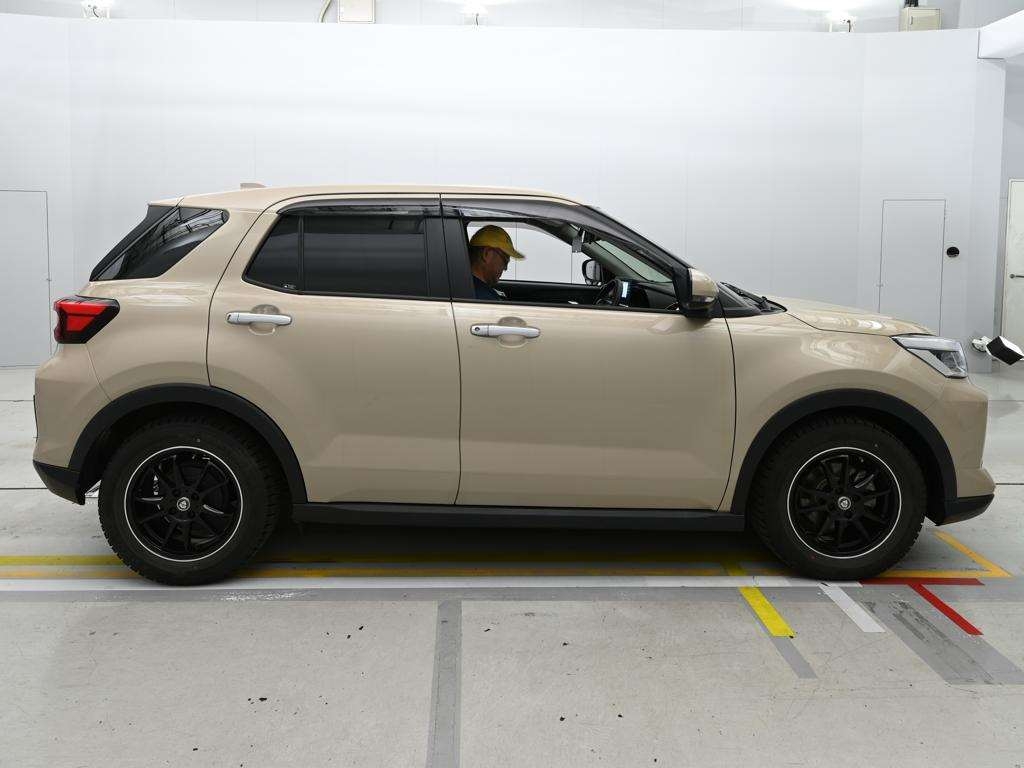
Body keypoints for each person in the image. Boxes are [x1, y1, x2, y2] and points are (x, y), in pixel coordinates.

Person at [468, 225, 524, 300]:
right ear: (487, 254)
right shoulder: (484, 298)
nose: (505, 268)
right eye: (505, 260)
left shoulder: (468, 288)